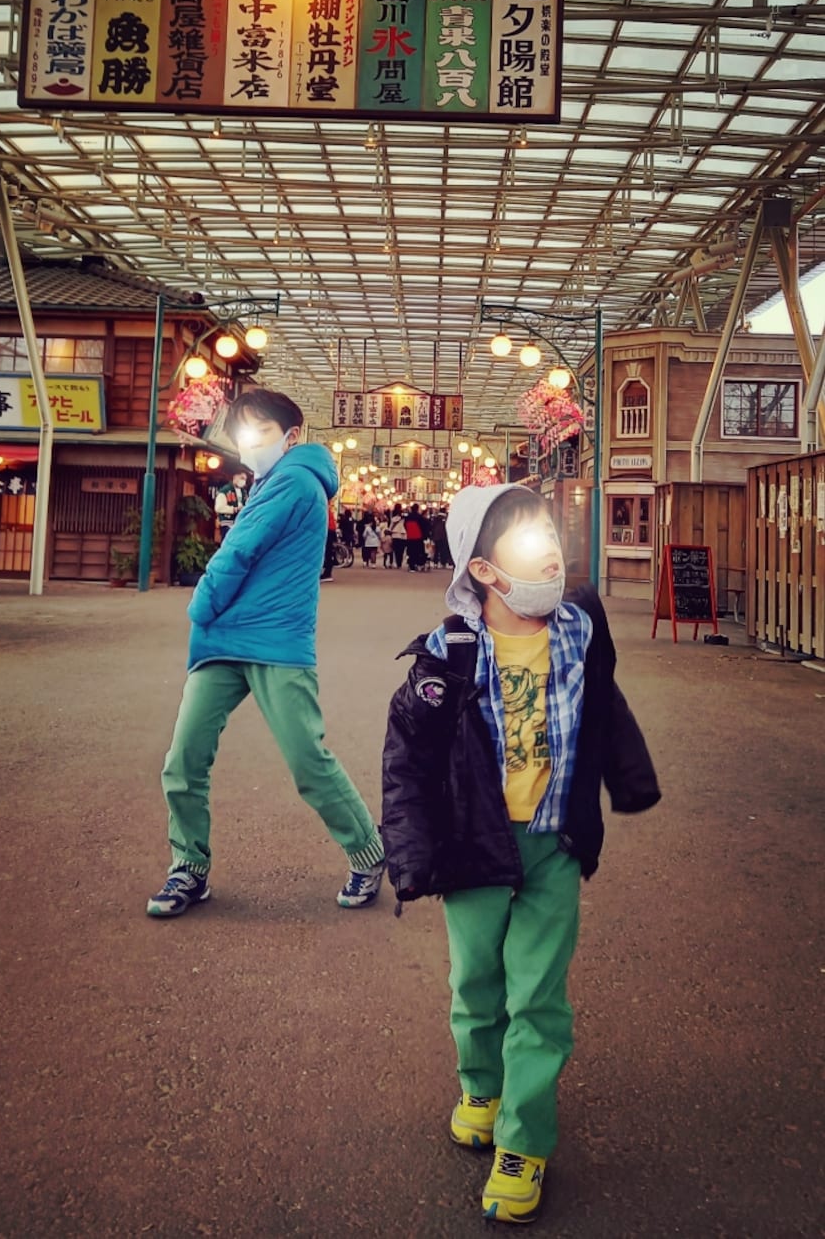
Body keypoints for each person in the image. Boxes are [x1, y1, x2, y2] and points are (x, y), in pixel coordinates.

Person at [381, 484, 660, 1224]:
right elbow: (407, 762)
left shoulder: (580, 629)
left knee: (537, 996)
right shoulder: (448, 657)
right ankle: (481, 1086)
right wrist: (408, 852)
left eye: (549, 534)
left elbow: (605, 703)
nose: (551, 551)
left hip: (554, 843)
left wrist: (630, 779)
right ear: (483, 571)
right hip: (473, 844)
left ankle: (523, 1142)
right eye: (528, 541)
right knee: (476, 982)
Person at [148, 388, 386, 919]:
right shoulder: (277, 480)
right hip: (229, 640)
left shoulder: (294, 481)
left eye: (262, 432)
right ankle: (188, 866)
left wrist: (201, 606)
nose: (251, 443)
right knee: (184, 759)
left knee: (306, 760)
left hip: (273, 639)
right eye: (245, 433)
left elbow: (237, 550)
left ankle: (369, 851)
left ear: (291, 437)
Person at [213, 468, 248, 541]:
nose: (243, 481)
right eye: (242, 478)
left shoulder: (244, 492)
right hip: (227, 523)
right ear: (235, 477)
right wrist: (234, 509)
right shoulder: (225, 490)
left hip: (240, 523)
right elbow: (218, 507)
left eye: (245, 479)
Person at [404, 503, 426, 571]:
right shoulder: (419, 517)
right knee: (418, 551)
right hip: (418, 536)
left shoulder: (408, 517)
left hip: (410, 536)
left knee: (411, 551)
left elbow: (405, 525)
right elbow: (423, 526)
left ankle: (411, 565)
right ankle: (417, 563)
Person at [322, 502, 337, 583]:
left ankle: (327, 574)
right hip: (331, 530)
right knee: (328, 552)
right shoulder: (327, 509)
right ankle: (327, 573)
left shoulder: (324, 509)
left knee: (327, 552)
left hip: (328, 530)